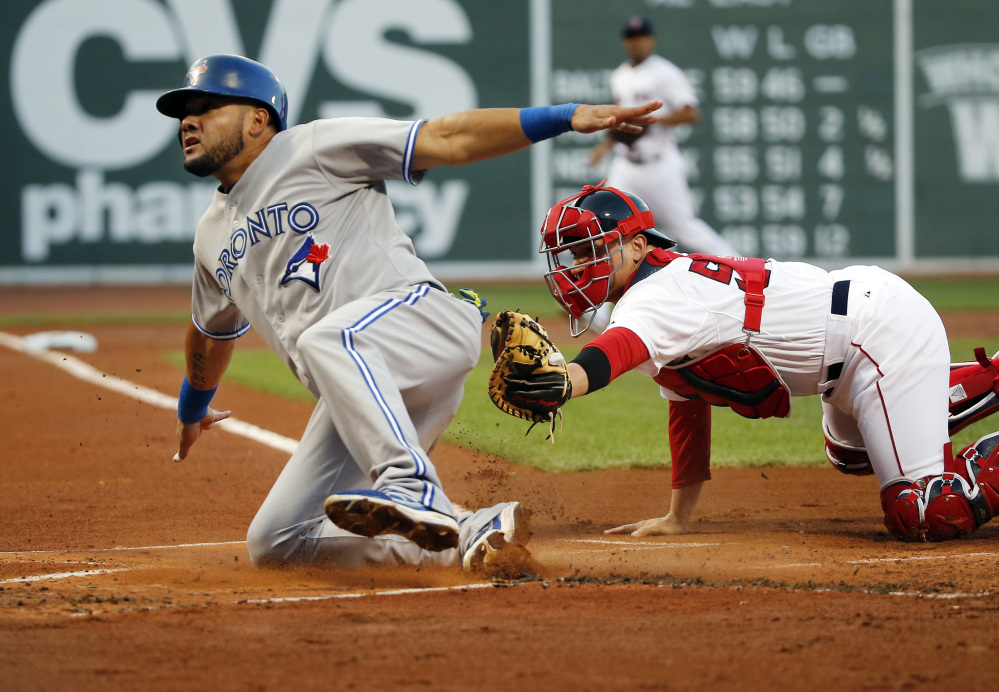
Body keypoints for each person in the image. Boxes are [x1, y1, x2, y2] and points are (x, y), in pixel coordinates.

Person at [155, 54, 662, 574]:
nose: (188, 120)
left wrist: (563, 116)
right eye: (183, 112)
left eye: (207, 105)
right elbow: (210, 335)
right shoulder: (210, 237)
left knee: (325, 340)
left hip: (422, 324)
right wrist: (192, 407)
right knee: (277, 541)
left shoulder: (307, 148)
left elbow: (448, 138)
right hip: (364, 385)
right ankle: (473, 533)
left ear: (258, 118)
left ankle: (408, 485)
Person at [537, 182, 999, 542]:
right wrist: (679, 517)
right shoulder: (658, 291)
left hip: (879, 333)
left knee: (922, 514)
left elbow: (610, 356)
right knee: (850, 453)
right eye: (574, 253)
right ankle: (989, 381)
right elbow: (687, 408)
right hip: (855, 349)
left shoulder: (656, 297)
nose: (578, 265)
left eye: (592, 249)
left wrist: (561, 380)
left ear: (637, 247)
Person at [584, 17, 735, 333]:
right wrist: (607, 143)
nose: (636, 42)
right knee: (605, 228)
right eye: (631, 37)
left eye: (641, 37)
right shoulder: (621, 75)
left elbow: (690, 112)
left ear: (651, 40)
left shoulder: (664, 72)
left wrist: (653, 119)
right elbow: (625, 122)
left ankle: (741, 271)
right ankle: (596, 310)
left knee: (685, 228)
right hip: (626, 164)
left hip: (659, 164)